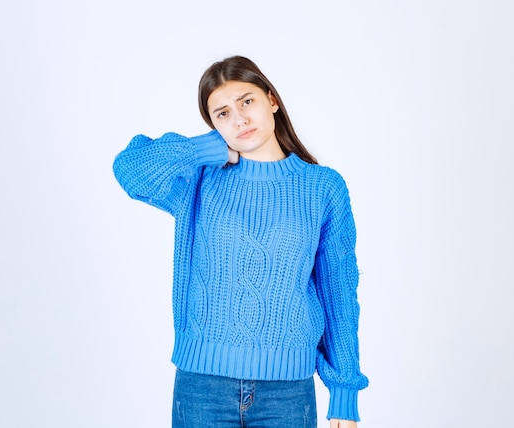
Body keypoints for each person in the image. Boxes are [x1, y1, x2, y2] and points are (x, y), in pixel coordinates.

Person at [113, 55, 368, 428]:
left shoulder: (322, 187)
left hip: (287, 392)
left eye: (246, 101)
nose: (239, 119)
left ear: (272, 100)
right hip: (202, 386)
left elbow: (339, 293)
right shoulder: (199, 180)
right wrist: (208, 149)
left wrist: (344, 392)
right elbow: (129, 168)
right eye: (222, 113)